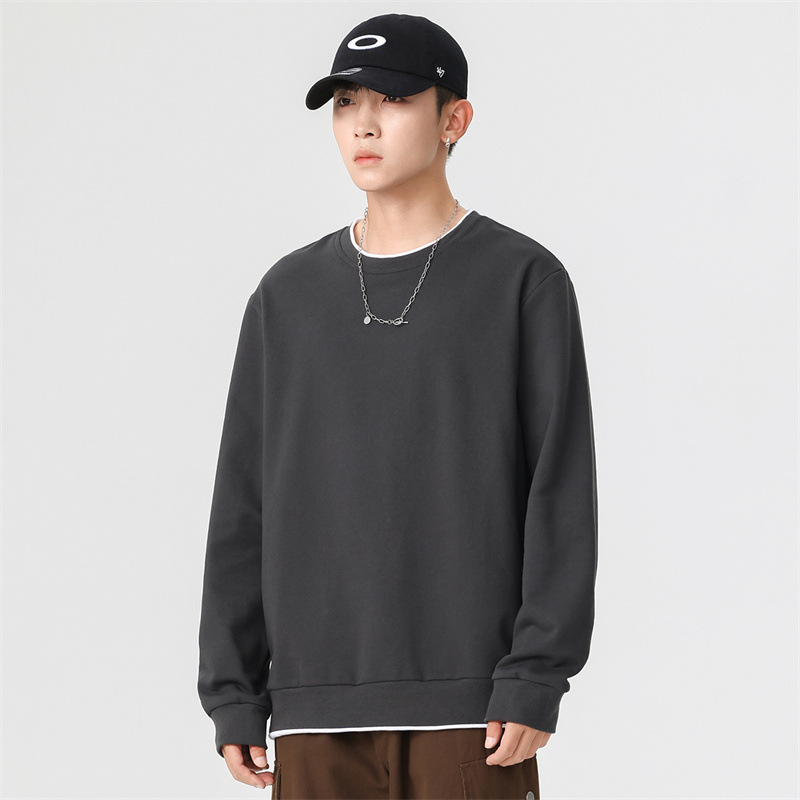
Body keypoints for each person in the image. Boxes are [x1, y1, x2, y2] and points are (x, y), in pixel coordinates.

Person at [198, 12, 598, 799]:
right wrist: (233, 688)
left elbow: (559, 490)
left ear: (455, 119)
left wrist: (535, 674)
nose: (364, 123)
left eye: (393, 99)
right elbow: (243, 502)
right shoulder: (286, 296)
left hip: (471, 710)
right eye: (346, 102)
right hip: (313, 712)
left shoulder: (522, 280)